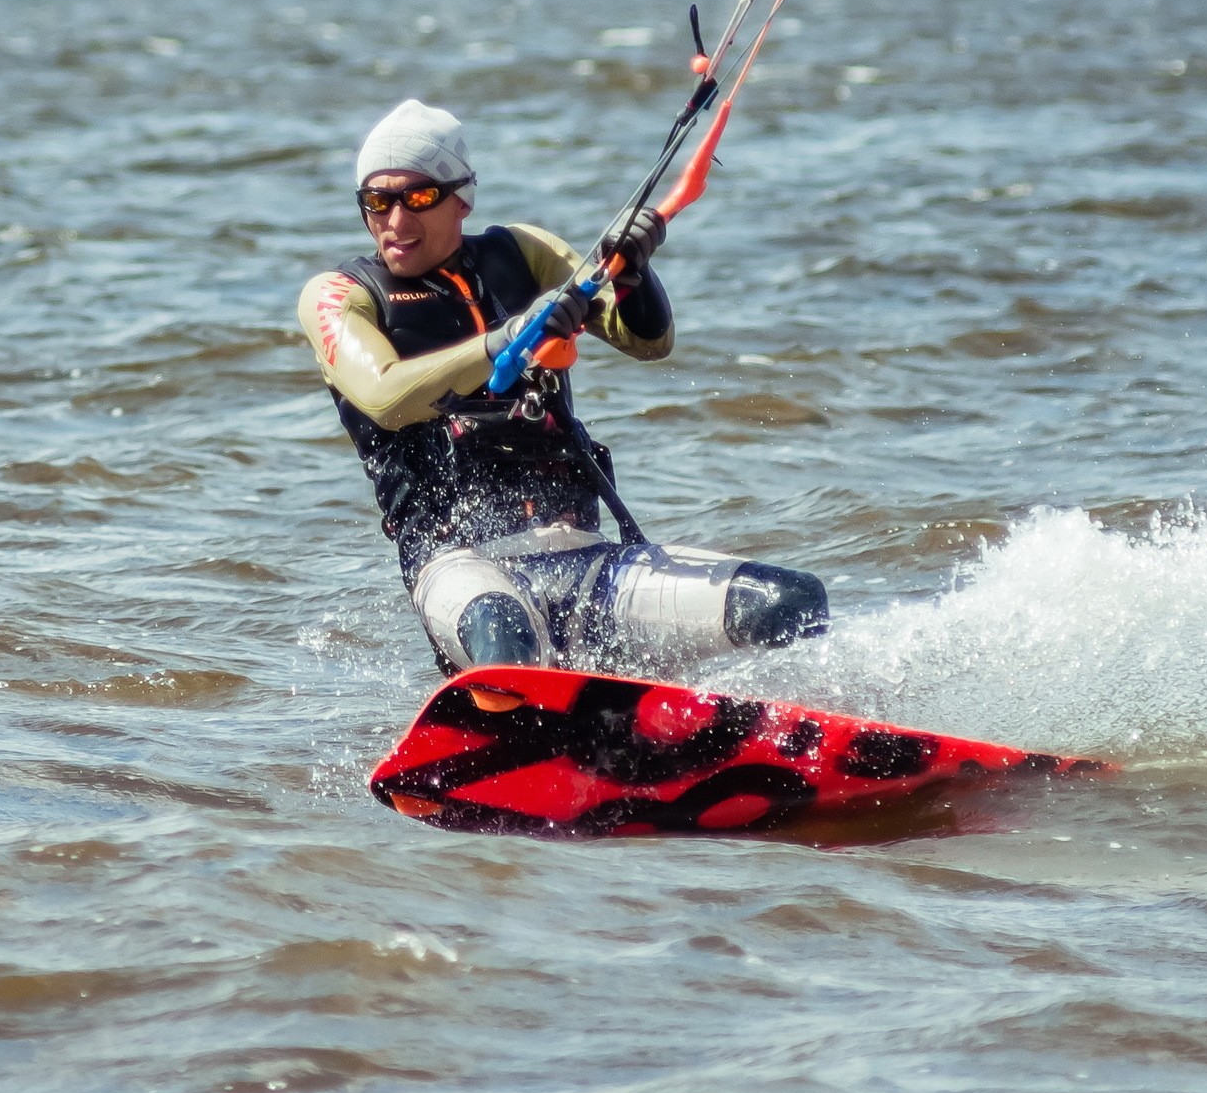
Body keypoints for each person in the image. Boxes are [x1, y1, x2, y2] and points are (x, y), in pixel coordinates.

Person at [298, 97, 828, 675]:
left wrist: (632, 275)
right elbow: (387, 398)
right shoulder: (340, 295)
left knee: (789, 604)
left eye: (418, 197)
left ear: (462, 197)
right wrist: (507, 339)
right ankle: (498, 724)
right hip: (460, 570)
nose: (394, 222)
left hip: (584, 560)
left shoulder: (524, 252)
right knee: (507, 640)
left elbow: (645, 341)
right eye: (377, 201)